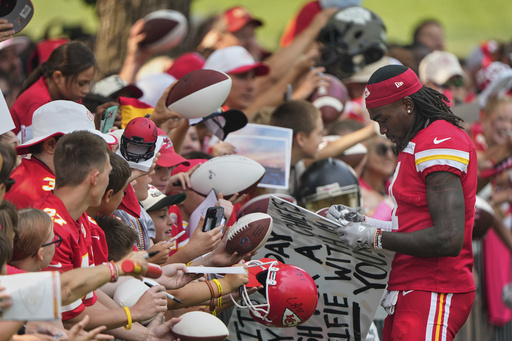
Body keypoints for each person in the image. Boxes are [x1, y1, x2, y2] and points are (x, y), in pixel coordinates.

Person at [327, 64, 477, 340]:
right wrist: (364, 223)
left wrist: (372, 236)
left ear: (407, 104)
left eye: (383, 118)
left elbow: (448, 238)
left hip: (434, 286)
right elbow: (413, 222)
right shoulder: (420, 141)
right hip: (414, 285)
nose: (382, 130)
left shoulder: (438, 141)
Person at [10, 41, 97, 138]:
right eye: (81, 84)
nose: (86, 90)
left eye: (89, 83)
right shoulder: (37, 103)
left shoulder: (70, 95)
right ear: (57, 77)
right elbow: (42, 147)